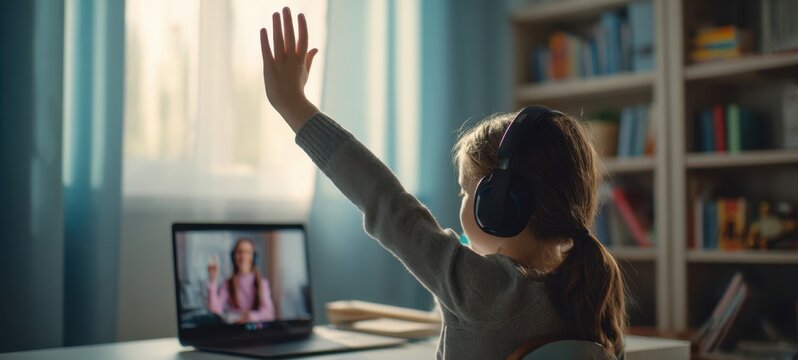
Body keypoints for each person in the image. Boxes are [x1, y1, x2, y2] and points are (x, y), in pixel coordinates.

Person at [258, 8, 626, 359]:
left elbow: (389, 206)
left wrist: (296, 107)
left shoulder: (483, 289)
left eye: (468, 191)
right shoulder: (588, 294)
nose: (461, 201)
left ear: (498, 205)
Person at [207, 238, 276, 323]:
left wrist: (251, 316)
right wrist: (213, 280)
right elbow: (215, 311)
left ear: (253, 257)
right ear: (233, 256)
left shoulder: (262, 283)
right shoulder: (228, 284)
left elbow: (269, 314)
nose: (243, 256)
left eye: (247, 252)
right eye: (239, 252)